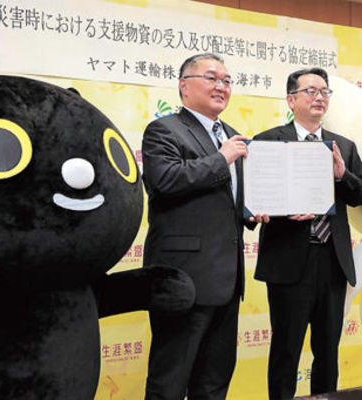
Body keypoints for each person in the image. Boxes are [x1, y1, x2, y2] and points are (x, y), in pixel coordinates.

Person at [252, 68, 362, 400]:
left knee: (328, 350)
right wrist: (279, 212)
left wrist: (342, 175)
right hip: (288, 261)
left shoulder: (343, 146)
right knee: (285, 350)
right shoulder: (267, 141)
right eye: (311, 91)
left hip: (332, 261)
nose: (319, 97)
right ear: (291, 100)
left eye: (324, 91)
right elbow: (255, 198)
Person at [141, 53, 250, 400]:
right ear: (184, 86)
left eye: (227, 81)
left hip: (227, 279)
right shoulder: (164, 130)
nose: (222, 86)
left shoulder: (231, 135)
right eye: (212, 78)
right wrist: (222, 158)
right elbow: (164, 181)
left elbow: (225, 200)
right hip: (183, 279)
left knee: (214, 381)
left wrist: (250, 213)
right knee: (170, 381)